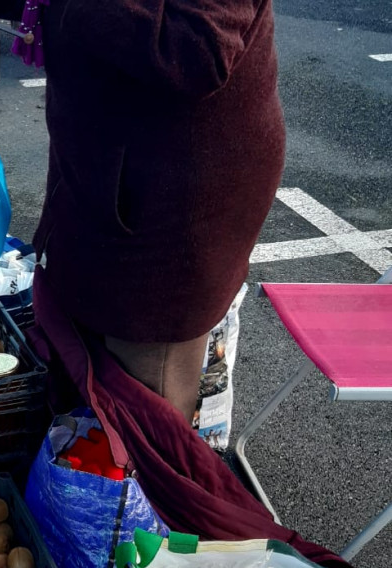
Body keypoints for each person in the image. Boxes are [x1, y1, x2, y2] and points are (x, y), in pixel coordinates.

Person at [31, 0, 285, 426]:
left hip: (171, 203)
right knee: (84, 364)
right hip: (105, 177)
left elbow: (197, 49)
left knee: (148, 401)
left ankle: (151, 483)